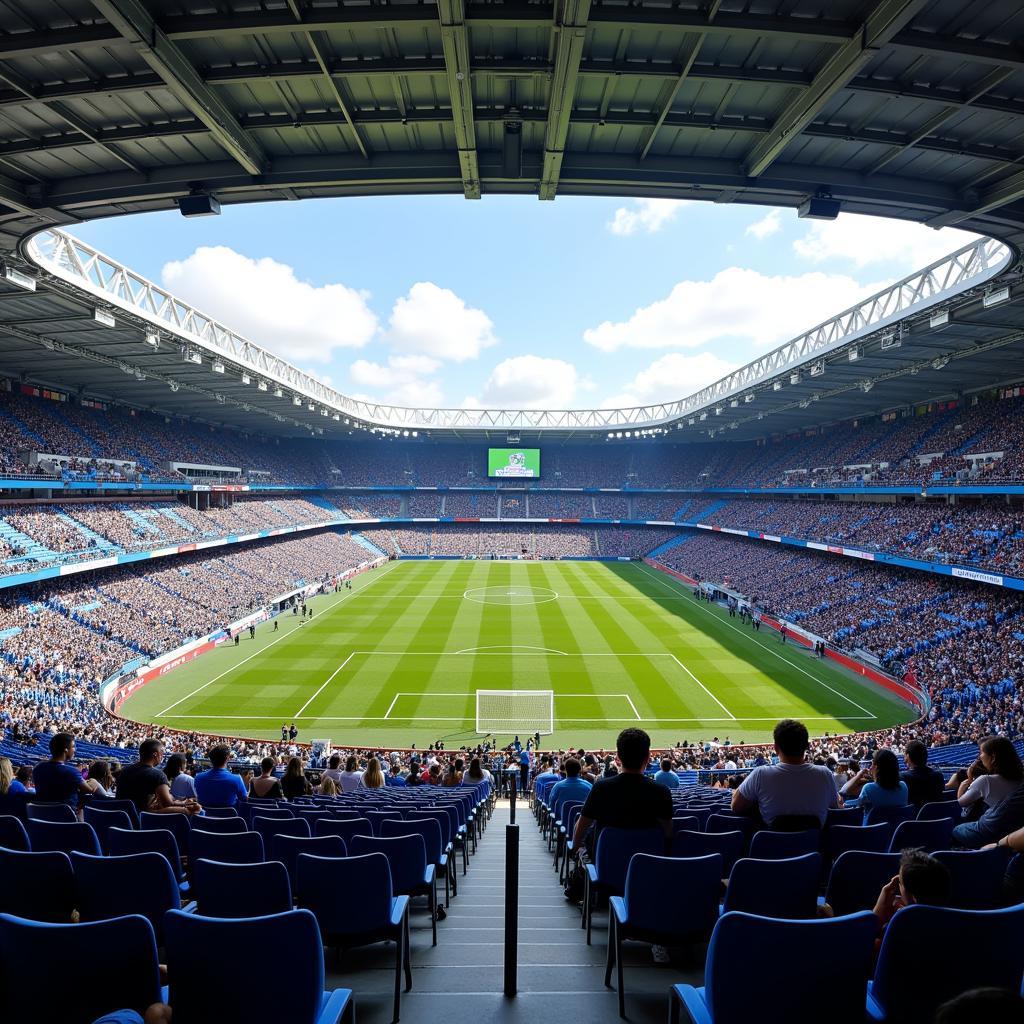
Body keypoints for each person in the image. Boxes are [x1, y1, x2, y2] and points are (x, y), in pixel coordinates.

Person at [572, 728, 672, 856]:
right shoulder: (662, 792)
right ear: (648, 757)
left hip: (606, 866)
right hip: (648, 869)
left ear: (618, 756)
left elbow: (581, 826)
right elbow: (668, 833)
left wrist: (575, 849)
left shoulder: (601, 788)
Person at [731, 719, 839, 828]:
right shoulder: (825, 774)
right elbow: (836, 807)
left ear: (776, 748)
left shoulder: (760, 774)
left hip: (771, 844)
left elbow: (735, 806)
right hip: (813, 844)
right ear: (807, 746)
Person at [870, 848, 951, 937]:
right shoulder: (951, 920)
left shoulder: (901, 923)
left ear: (913, 898)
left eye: (899, 882)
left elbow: (867, 941)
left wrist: (880, 908)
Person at [118, 739, 200, 816]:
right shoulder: (158, 775)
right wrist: (185, 804)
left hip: (122, 816)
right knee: (191, 810)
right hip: (141, 818)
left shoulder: (125, 770)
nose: (162, 756)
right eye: (162, 752)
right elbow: (167, 804)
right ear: (155, 754)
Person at [32, 733, 100, 811]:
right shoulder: (72, 771)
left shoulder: (38, 768)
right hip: (66, 817)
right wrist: (93, 781)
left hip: (41, 816)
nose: (75, 750)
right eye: (73, 746)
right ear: (66, 750)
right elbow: (90, 790)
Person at [958, 736, 1024, 816]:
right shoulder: (1020, 777)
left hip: (996, 827)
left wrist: (961, 787)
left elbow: (959, 806)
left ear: (993, 758)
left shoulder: (985, 781)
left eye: (981, 753)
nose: (979, 757)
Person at [953, 777, 1024, 849]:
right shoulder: (1019, 780)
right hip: (998, 827)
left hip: (991, 831)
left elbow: (959, 804)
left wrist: (1001, 843)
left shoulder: (984, 780)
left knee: (956, 830)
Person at [841, 748, 908, 823]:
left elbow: (844, 792)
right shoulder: (904, 787)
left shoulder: (869, 788)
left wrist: (858, 776)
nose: (870, 767)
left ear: (876, 767)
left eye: (872, 763)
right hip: (896, 832)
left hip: (870, 833)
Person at [899, 740, 944, 806]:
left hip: (913, 815)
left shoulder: (903, 778)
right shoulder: (939, 775)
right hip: (939, 815)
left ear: (908, 756)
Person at [547, 757, 592, 821]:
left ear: (565, 770)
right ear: (579, 770)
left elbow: (551, 804)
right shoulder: (589, 786)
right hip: (583, 824)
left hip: (562, 821)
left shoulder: (558, 786)